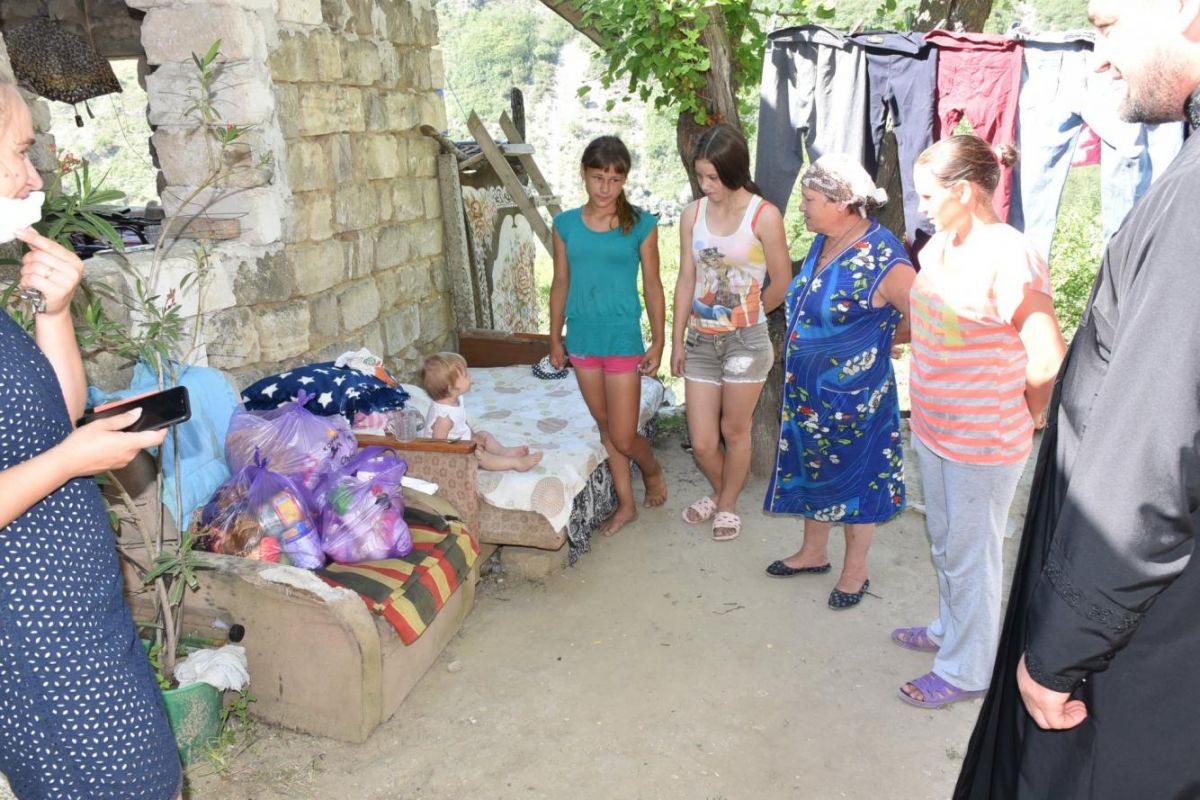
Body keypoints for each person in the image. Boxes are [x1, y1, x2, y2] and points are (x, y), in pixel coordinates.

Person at [955, 3, 1200, 796]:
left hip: (1139, 660)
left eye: (1108, 23)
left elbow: (1150, 452)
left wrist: (1063, 644)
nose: (1097, 56)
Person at [0, 78, 183, 798]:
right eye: (19, 152)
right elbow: (57, 449)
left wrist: (55, 311)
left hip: (77, 610)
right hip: (34, 635)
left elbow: (55, 411)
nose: (34, 177)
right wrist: (76, 457)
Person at [897, 134, 1066, 708]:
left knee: (972, 556)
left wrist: (1033, 411)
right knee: (947, 543)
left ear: (966, 192)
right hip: (934, 426)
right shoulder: (943, 244)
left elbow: (1047, 358)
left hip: (982, 439)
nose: (921, 206)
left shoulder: (1010, 255)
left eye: (928, 195)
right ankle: (950, 631)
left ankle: (967, 670)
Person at [762, 154, 915, 609]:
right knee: (815, 469)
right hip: (810, 398)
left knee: (857, 481)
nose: (802, 207)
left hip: (856, 400)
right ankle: (814, 552)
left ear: (842, 203)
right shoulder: (825, 241)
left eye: (810, 199)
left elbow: (927, 316)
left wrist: (883, 338)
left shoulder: (883, 256)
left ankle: (855, 571)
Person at [671, 123, 792, 542]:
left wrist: (751, 314)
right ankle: (723, 493)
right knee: (703, 442)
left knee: (734, 431)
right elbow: (686, 279)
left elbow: (782, 281)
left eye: (713, 177)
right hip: (700, 340)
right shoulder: (692, 215)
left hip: (746, 341)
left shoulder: (764, 215)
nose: (706, 186)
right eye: (700, 176)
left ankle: (726, 505)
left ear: (735, 171)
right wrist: (676, 341)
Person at [548, 136, 667, 535]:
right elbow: (560, 283)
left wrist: (658, 341)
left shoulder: (641, 225)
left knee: (623, 434)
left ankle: (651, 469)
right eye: (598, 177)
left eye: (615, 180)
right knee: (604, 426)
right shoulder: (565, 225)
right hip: (582, 338)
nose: (605, 188)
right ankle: (626, 505)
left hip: (622, 339)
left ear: (624, 180)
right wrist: (554, 338)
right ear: (584, 173)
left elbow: (653, 285)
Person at [420, 352, 544, 472]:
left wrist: (473, 436)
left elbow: (462, 423)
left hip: (462, 440)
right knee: (481, 456)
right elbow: (439, 448)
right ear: (451, 387)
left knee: (485, 436)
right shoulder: (444, 418)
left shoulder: (455, 400)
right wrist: (469, 447)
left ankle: (503, 452)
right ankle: (516, 463)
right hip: (452, 455)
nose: (470, 376)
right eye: (466, 375)